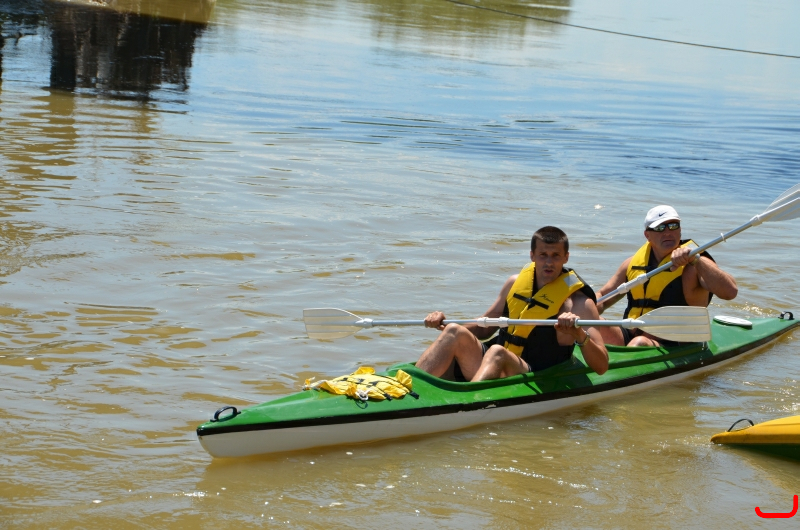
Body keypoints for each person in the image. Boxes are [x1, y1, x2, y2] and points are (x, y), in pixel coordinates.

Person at [415, 226, 608, 382]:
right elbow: (484, 328)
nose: (549, 262)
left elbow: (602, 366)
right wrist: (444, 325)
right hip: (494, 364)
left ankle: (470, 403)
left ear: (566, 257)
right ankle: (408, 386)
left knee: (497, 352)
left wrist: (578, 334)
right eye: (543, 254)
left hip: (533, 373)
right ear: (532, 255)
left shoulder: (580, 304)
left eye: (556, 255)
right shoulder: (514, 284)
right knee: (454, 332)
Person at [596, 205, 738, 347]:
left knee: (639, 343)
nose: (668, 232)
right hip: (631, 334)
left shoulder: (695, 265)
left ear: (680, 230)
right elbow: (602, 296)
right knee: (593, 324)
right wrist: (586, 309)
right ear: (647, 235)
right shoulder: (631, 264)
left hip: (676, 342)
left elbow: (730, 292)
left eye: (673, 226)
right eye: (660, 228)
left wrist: (696, 260)